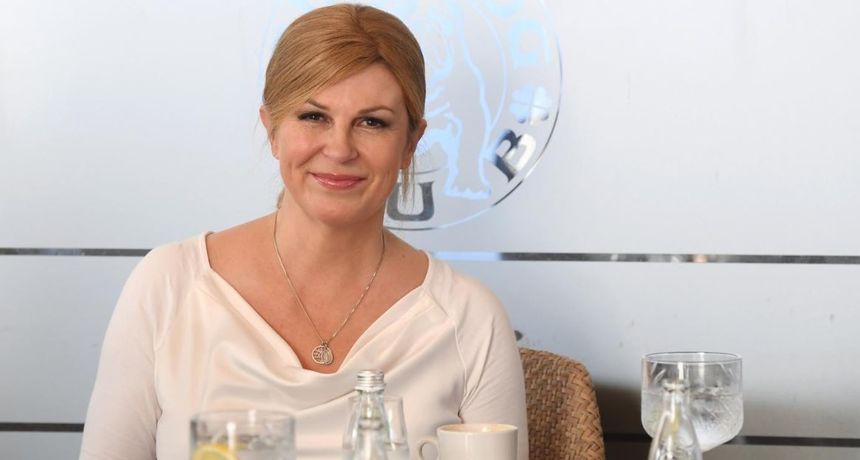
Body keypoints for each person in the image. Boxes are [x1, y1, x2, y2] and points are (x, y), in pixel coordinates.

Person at [79, 4, 527, 459]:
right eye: (314, 116)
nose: (339, 148)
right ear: (272, 129)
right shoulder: (168, 286)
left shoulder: (469, 317)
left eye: (372, 122)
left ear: (410, 143)